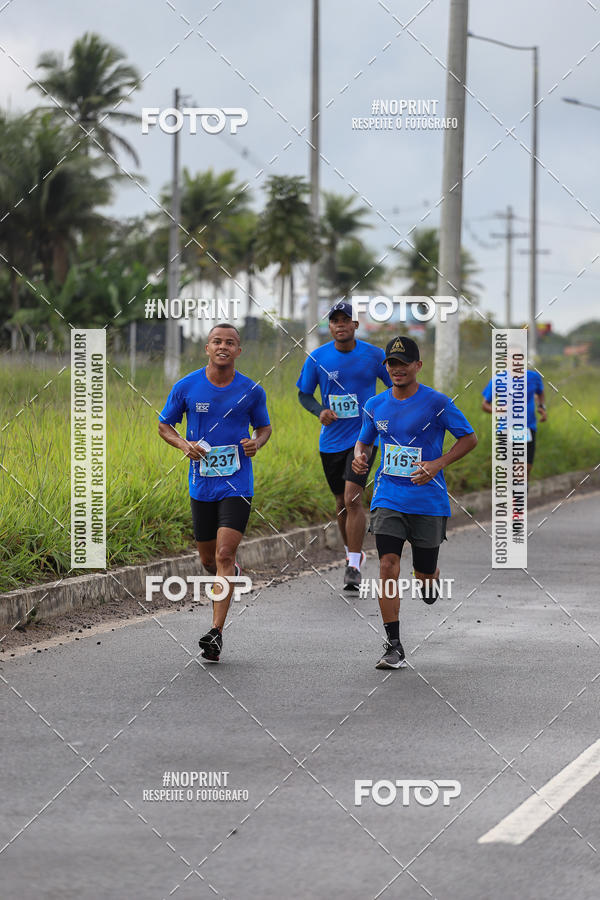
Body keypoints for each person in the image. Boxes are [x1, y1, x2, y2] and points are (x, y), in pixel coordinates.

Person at [352, 336, 477, 669]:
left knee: (423, 575)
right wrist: (360, 459)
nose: (397, 369)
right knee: (387, 564)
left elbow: (469, 438)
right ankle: (393, 644)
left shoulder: (436, 403)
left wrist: (437, 464)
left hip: (428, 501)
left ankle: (430, 577)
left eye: (403, 363)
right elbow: (363, 442)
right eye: (391, 364)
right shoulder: (375, 405)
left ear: (417, 366)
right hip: (389, 496)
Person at [158, 324, 272, 662]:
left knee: (224, 554)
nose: (223, 347)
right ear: (207, 347)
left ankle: (216, 632)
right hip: (202, 484)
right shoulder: (186, 386)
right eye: (217, 342)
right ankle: (229, 577)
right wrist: (183, 444)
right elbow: (165, 425)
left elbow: (263, 427)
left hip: (237, 483)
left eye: (231, 343)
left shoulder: (251, 390)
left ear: (239, 351)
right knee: (208, 560)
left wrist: (256, 443)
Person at [296, 301, 392, 590]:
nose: (339, 325)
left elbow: (395, 387)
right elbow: (304, 395)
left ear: (355, 325)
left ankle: (352, 566)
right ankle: (355, 553)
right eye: (334, 320)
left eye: (345, 320)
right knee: (341, 503)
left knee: (352, 499)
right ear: (330, 326)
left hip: (363, 438)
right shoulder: (317, 358)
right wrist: (319, 412)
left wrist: (384, 418)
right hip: (331, 441)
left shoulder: (374, 356)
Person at [482, 368, 546, 476]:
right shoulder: (498, 379)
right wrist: (499, 410)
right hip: (505, 428)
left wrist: (542, 407)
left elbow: (540, 393)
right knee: (511, 467)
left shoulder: (533, 377)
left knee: (526, 467)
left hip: (527, 427)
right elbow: (485, 405)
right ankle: (513, 491)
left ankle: (519, 489)